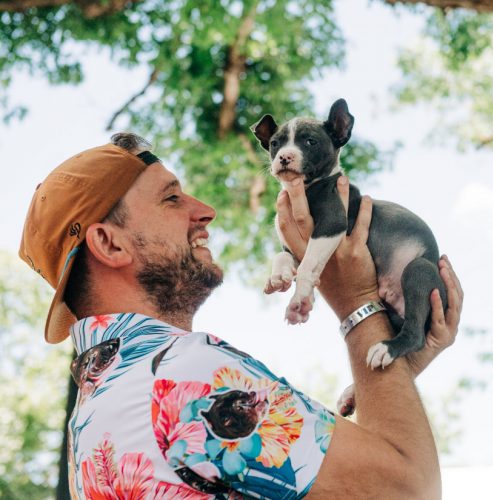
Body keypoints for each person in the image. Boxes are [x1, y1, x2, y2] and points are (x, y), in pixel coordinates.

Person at [19, 133, 463, 499]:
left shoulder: (93, 418)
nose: (204, 210)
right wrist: (358, 303)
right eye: (172, 198)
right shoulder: (183, 376)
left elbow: (332, 475)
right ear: (110, 245)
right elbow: (408, 488)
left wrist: (398, 359)